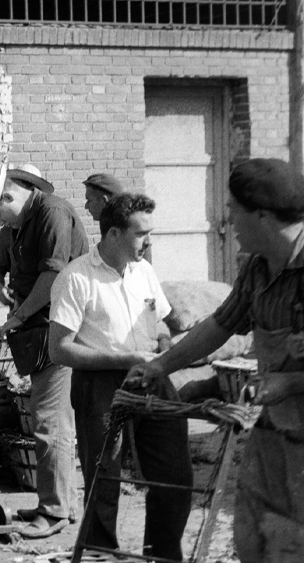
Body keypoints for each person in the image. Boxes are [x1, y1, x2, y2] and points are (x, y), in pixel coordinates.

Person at [127, 158, 304, 563]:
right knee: (255, 537)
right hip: (275, 430)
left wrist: (290, 383)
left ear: (261, 214)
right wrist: (160, 366)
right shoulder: (257, 269)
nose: (229, 220)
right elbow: (219, 326)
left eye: (233, 211)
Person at [48, 193, 192, 561]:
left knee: (174, 472)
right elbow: (60, 349)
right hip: (100, 385)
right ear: (113, 233)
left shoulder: (143, 270)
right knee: (105, 478)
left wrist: (161, 343)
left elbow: (158, 323)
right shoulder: (76, 276)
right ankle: (99, 553)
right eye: (142, 233)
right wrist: (123, 357)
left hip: (151, 377)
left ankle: (162, 553)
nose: (150, 241)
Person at [0, 163, 88, 538]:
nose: (1, 221)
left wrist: (16, 316)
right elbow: (3, 266)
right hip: (42, 331)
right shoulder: (22, 221)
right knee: (53, 421)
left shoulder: (51, 211)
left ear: (8, 196)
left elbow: (52, 277)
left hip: (63, 329)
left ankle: (53, 513)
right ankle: (60, 505)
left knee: (48, 420)